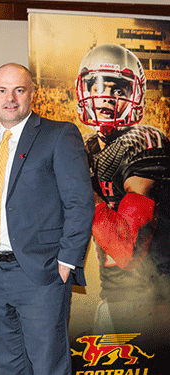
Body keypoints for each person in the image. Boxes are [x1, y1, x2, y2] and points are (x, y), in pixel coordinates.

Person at [0, 63, 94, 375]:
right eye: (2, 91)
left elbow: (80, 202)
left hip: (42, 275)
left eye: (18, 90)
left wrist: (67, 261)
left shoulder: (59, 134)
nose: (10, 98)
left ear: (32, 94)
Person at [75, 43, 170, 335]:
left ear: (135, 95)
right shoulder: (89, 146)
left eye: (118, 89)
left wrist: (78, 189)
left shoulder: (145, 142)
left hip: (153, 298)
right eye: (97, 86)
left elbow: (126, 247)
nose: (105, 98)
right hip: (112, 295)